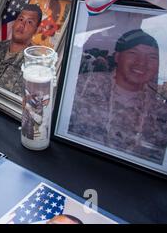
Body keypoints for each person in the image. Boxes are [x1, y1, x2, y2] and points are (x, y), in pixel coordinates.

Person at [69, 29, 167, 164]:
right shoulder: (82, 85)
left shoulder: (160, 111)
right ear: (117, 56)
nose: (142, 63)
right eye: (133, 53)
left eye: (152, 57)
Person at [0, 4, 43, 95]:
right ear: (14, 23)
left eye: (29, 22)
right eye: (21, 19)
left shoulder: (36, 64)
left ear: (36, 30)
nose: (22, 25)